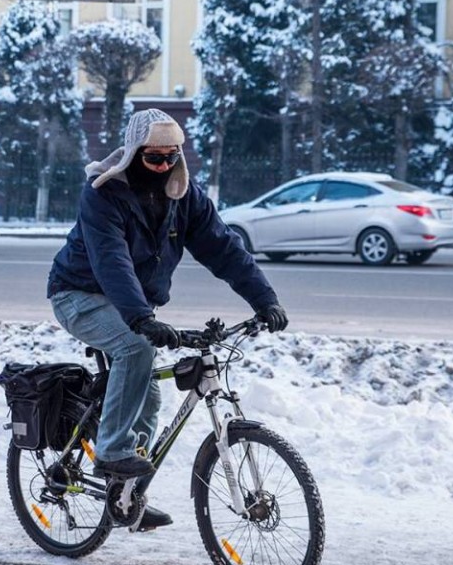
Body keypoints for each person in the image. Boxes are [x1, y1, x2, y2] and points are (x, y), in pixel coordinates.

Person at [47, 109, 288, 529]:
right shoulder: (103, 194)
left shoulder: (184, 195)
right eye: (153, 159)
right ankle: (110, 453)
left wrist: (264, 299)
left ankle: (126, 496)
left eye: (170, 158)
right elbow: (112, 262)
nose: (162, 167)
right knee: (135, 348)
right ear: (133, 154)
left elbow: (223, 248)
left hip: (130, 304)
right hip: (78, 295)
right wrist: (141, 318)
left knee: (150, 392)